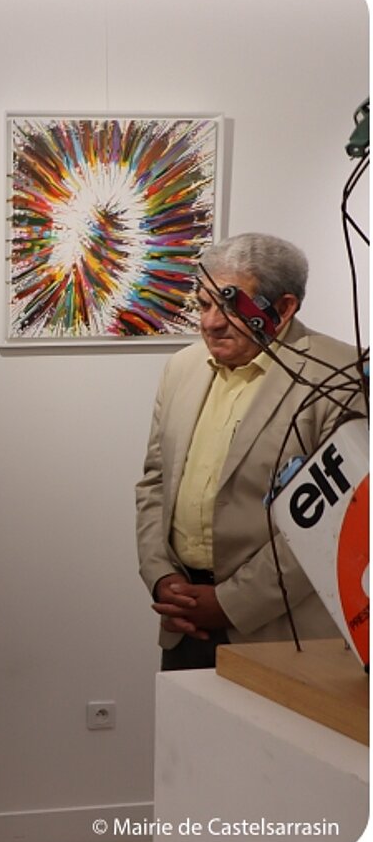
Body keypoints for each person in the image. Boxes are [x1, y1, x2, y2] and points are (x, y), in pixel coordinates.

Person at [136, 233, 366, 670]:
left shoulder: (338, 377)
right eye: (203, 305)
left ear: (282, 308)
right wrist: (161, 576)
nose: (211, 323)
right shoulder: (181, 368)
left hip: (281, 634)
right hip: (183, 623)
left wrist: (230, 602)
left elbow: (338, 521)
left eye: (229, 305)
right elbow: (154, 482)